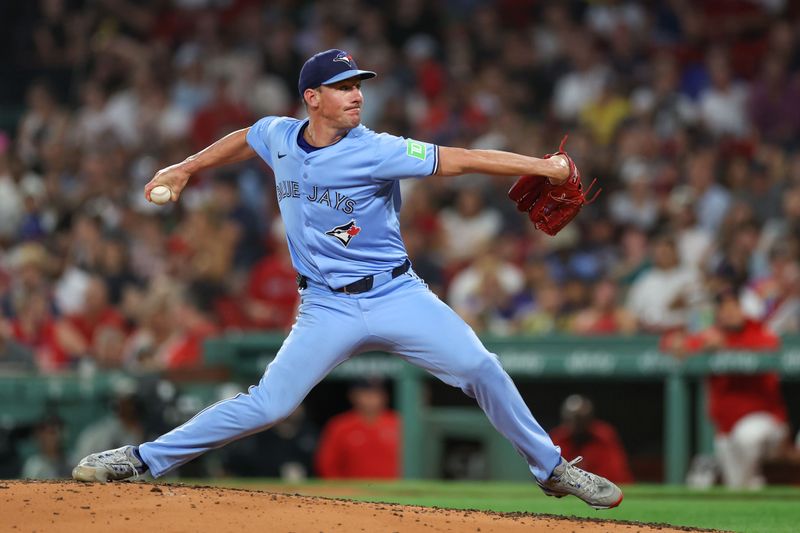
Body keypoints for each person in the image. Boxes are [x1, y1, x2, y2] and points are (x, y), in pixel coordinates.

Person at [72, 49, 622, 509]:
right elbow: (248, 135)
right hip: (324, 309)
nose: (357, 94)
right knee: (269, 404)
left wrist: (543, 166)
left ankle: (549, 468)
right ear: (313, 98)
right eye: (343, 87)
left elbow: (459, 159)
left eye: (359, 85)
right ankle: (141, 459)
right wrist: (187, 166)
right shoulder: (281, 137)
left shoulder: (376, 149)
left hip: (396, 293)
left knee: (481, 366)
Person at [663, 291, 789, 489]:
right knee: (736, 485)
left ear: (742, 309)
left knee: (747, 436)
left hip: (766, 421)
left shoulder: (758, 330)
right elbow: (670, 344)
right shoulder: (713, 335)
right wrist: (680, 342)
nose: (730, 313)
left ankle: (755, 482)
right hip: (725, 428)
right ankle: (754, 491)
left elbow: (770, 345)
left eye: (734, 307)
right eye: (724, 309)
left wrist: (727, 345)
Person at [315, 378, 400, 479]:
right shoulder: (340, 425)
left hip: (394, 491)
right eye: (365, 393)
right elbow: (327, 465)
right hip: (352, 491)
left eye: (376, 392)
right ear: (353, 395)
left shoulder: (399, 422)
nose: (371, 397)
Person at [549, 395, 633, 484]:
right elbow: (547, 477)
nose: (576, 424)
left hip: (600, 490)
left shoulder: (604, 436)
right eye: (571, 419)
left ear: (589, 419)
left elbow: (618, 477)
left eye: (580, 419)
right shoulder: (557, 438)